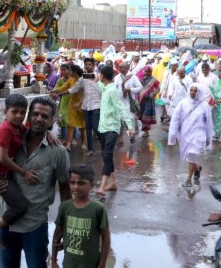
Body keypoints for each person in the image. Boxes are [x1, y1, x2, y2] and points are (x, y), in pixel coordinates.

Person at [0, 96, 70, 268]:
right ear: (29, 116)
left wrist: (64, 226)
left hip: (34, 227)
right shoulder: (12, 138)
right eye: (35, 114)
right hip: (7, 223)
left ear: (52, 120)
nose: (39, 118)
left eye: (45, 116)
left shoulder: (58, 152)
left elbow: (65, 191)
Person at [0, 94, 31, 247]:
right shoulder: (5, 129)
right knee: (20, 206)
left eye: (23, 112)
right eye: (14, 112)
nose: (19, 116)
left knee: (13, 202)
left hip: (6, 171)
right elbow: (3, 158)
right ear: (5, 112)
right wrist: (24, 173)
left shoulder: (18, 127)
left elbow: (30, 134)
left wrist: (48, 133)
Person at [52, 164, 110, 268]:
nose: (76, 187)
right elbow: (57, 235)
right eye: (72, 182)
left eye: (81, 183)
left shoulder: (99, 209)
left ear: (91, 185)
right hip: (69, 264)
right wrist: (54, 260)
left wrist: (102, 264)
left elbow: (106, 238)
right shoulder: (65, 207)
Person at [96, 66, 136, 196]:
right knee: (106, 156)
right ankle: (113, 182)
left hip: (112, 128)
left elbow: (121, 109)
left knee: (107, 155)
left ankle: (102, 186)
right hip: (103, 127)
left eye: (100, 74)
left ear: (102, 75)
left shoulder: (112, 90)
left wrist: (130, 127)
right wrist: (96, 79)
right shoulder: (106, 88)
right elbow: (99, 86)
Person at [168, 83, 213, 188]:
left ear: (199, 92)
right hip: (185, 135)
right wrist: (172, 137)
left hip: (199, 135)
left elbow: (208, 123)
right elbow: (175, 120)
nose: (193, 92)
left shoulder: (204, 106)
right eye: (191, 90)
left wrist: (208, 139)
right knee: (189, 157)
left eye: (195, 90)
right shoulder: (183, 103)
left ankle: (188, 180)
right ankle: (196, 168)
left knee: (192, 154)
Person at [136, 66, 160, 137]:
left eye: (147, 71)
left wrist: (153, 93)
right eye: (144, 71)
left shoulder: (154, 80)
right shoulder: (141, 79)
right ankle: (144, 129)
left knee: (146, 117)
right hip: (142, 100)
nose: (145, 72)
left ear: (150, 72)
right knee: (140, 115)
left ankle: (146, 132)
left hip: (149, 101)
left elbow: (158, 89)